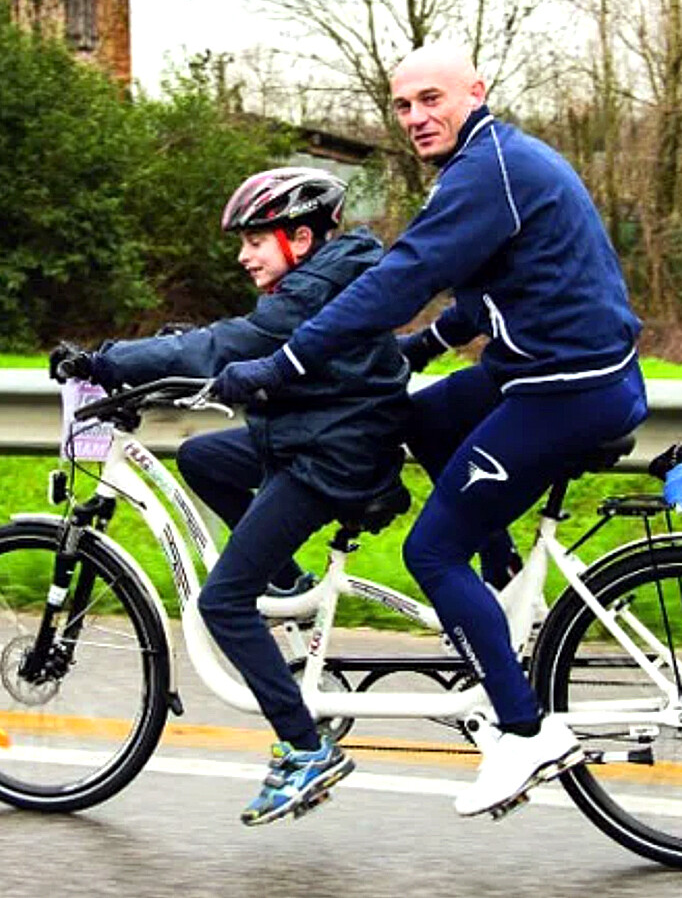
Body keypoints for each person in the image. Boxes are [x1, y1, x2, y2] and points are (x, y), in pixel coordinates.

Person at [212, 45, 649, 818]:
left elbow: (399, 279)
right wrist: (424, 349)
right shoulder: (498, 163)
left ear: (474, 92)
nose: (415, 117)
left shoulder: (488, 172)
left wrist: (285, 360)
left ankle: (522, 734)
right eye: (403, 105)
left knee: (430, 549)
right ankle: (505, 580)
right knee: (419, 418)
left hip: (564, 391)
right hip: (559, 371)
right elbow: (493, 291)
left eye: (430, 99)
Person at [49, 167, 410, 825]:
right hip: (315, 435)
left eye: (254, 240)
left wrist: (107, 363)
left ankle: (304, 750)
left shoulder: (315, 290)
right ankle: (292, 589)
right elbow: (234, 341)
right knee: (203, 456)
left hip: (330, 455)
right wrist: (170, 356)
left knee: (222, 602)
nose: (244, 255)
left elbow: (234, 342)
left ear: (300, 237)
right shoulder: (321, 278)